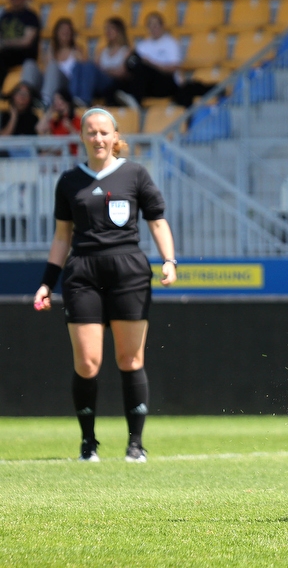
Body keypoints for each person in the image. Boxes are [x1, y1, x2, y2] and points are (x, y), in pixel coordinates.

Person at [33, 108, 177, 463]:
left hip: (128, 271)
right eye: (91, 132)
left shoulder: (135, 174)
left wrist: (169, 261)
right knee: (87, 362)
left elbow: (157, 222)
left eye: (104, 132)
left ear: (115, 137)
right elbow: (62, 237)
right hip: (82, 273)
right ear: (82, 137)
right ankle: (88, 444)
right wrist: (46, 284)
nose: (98, 138)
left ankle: (135, 445)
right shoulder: (69, 181)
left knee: (130, 358)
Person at [121, 11, 183, 107]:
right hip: (149, 85)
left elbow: (173, 68)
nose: (153, 28)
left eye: (156, 25)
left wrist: (151, 64)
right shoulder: (143, 45)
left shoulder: (171, 43)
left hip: (166, 82)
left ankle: (135, 99)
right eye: (150, 25)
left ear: (162, 26)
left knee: (143, 67)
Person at [71, 17, 131, 107]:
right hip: (101, 81)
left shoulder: (126, 51)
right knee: (78, 66)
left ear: (119, 31)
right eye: (107, 29)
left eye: (111, 29)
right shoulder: (103, 51)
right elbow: (95, 68)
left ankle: (84, 99)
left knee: (89, 67)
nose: (108, 32)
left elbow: (122, 72)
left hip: (113, 83)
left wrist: (104, 70)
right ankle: (73, 98)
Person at [38, 17, 86, 108]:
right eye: (62, 30)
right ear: (56, 33)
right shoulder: (51, 51)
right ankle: (42, 98)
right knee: (31, 64)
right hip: (53, 84)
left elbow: (83, 74)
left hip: (68, 85)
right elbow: (45, 73)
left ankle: (46, 100)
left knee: (53, 67)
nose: (65, 32)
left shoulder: (77, 51)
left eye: (68, 30)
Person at [0, 0, 40, 92]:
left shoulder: (30, 16)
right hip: (7, 53)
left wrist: (5, 43)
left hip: (24, 54)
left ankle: (3, 91)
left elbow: (26, 42)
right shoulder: (5, 16)